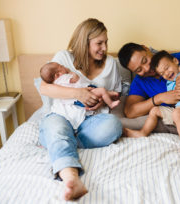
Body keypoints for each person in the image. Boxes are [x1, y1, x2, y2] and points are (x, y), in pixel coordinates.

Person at [39, 18, 123, 201]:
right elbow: (44, 88)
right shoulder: (63, 59)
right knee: (56, 126)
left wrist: (101, 100)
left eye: (106, 42)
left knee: (114, 125)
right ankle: (72, 178)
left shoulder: (111, 64)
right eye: (99, 43)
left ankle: (58, 141)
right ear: (85, 42)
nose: (105, 48)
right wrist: (78, 93)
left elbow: (116, 92)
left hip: (90, 121)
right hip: (62, 116)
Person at [124, 50, 180, 156]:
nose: (166, 73)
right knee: (155, 110)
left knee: (177, 113)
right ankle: (143, 132)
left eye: (167, 68)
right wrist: (161, 98)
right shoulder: (169, 83)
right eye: (162, 73)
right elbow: (130, 111)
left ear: (175, 61)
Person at [40, 62, 120, 111]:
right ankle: (111, 104)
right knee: (101, 90)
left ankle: (109, 94)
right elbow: (75, 79)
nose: (64, 66)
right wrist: (72, 73)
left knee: (99, 91)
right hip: (84, 97)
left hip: (79, 100)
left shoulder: (56, 83)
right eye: (61, 66)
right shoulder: (63, 78)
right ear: (58, 74)